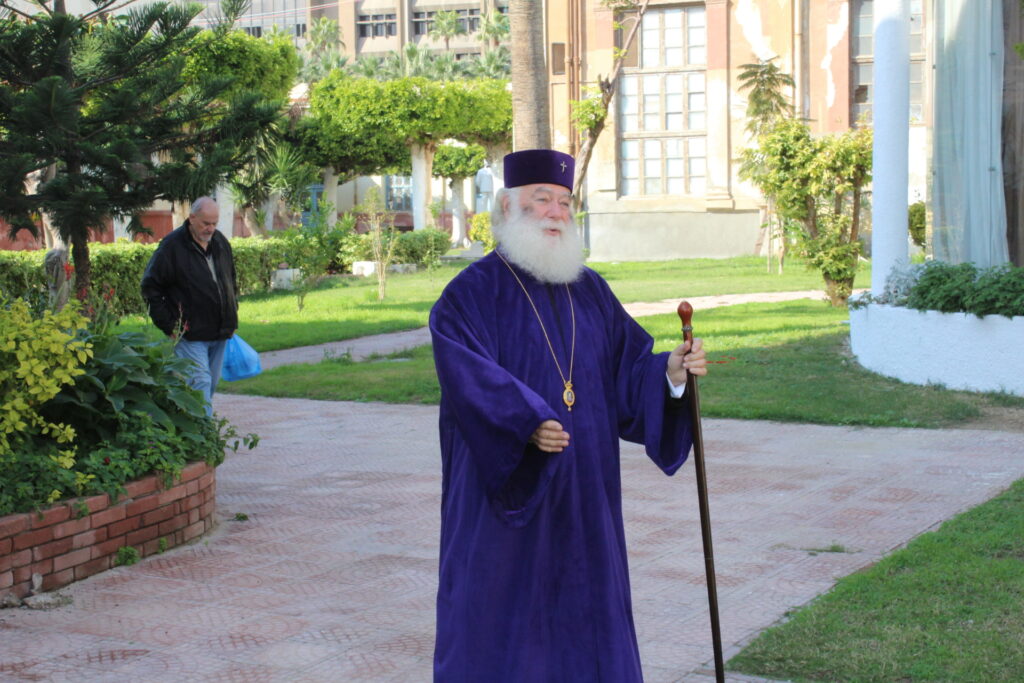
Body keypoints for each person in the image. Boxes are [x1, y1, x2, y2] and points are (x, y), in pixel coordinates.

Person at [429, 149, 707, 682]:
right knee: (504, 621)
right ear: (507, 207)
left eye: (565, 202)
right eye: (542, 200)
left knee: (588, 619)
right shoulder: (470, 294)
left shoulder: (591, 290)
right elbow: (466, 376)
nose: (557, 213)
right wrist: (525, 422)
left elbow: (628, 371)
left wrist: (670, 373)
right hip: (508, 499)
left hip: (585, 497)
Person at [141, 197, 238, 416]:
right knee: (199, 382)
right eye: (205, 223)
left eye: (214, 223)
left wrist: (233, 311)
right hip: (189, 333)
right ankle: (205, 432)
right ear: (192, 218)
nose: (210, 228)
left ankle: (193, 424)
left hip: (220, 330)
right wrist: (169, 326)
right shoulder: (172, 247)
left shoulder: (220, 242)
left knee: (209, 384)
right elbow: (150, 287)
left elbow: (230, 279)